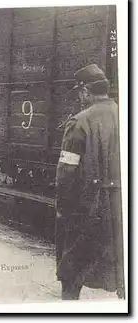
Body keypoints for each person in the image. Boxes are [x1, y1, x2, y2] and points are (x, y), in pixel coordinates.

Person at [55, 64, 125, 300]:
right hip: (121, 206)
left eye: (79, 93)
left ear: (85, 92)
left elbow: (67, 172)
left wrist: (63, 210)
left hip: (88, 207)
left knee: (72, 271)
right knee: (120, 267)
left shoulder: (79, 122)